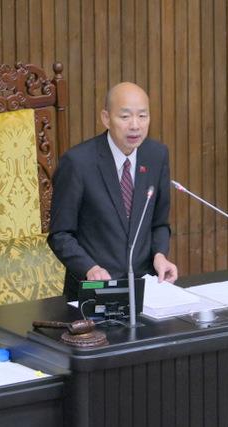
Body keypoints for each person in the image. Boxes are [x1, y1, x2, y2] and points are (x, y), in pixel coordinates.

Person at [48, 82, 178, 300]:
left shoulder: (156, 155)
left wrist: (160, 255)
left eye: (143, 116)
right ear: (106, 118)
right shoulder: (78, 162)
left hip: (145, 289)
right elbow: (60, 234)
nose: (135, 125)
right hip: (93, 291)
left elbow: (159, 223)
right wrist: (89, 268)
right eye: (125, 117)